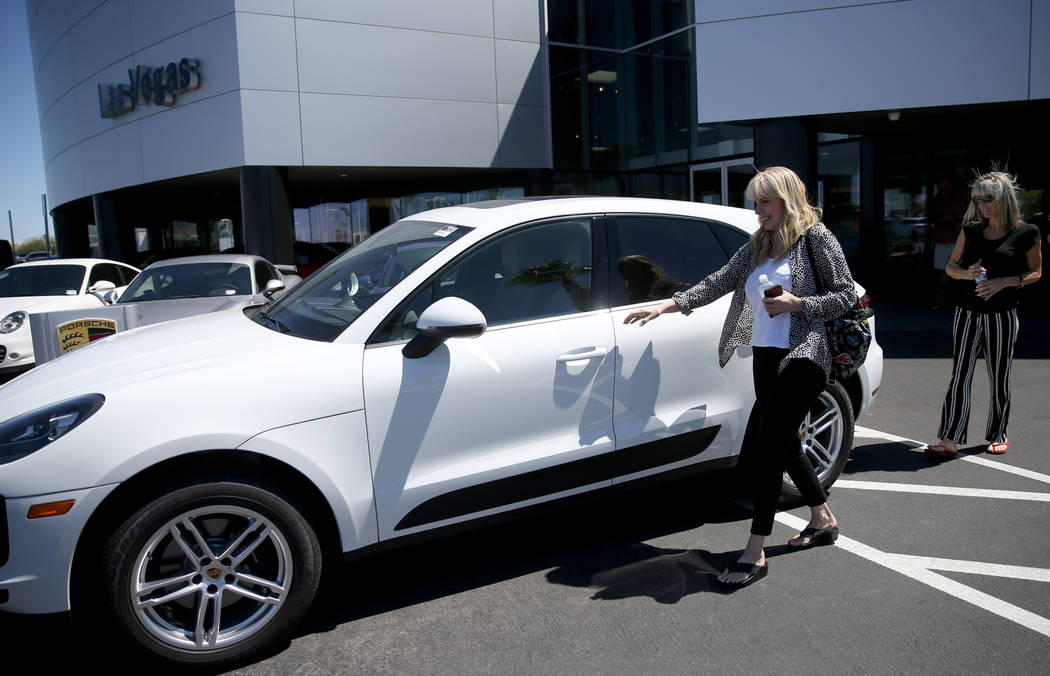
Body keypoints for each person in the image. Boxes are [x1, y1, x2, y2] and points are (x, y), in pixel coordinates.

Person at [623, 166, 858, 588]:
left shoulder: (816, 238)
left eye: (764, 202)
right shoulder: (759, 243)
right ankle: (823, 518)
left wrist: (797, 303)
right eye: (755, 202)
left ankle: (755, 550)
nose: (757, 210)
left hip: (804, 354)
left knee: (768, 448)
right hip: (765, 356)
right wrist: (667, 306)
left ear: (787, 200)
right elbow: (720, 281)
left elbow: (845, 294)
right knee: (784, 442)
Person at [925, 171, 1042, 458]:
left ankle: (998, 432)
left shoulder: (1027, 232)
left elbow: (1036, 271)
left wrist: (1007, 281)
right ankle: (950, 437)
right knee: (960, 373)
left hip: (1002, 313)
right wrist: (966, 274)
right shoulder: (971, 229)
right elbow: (951, 267)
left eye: (988, 198)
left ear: (1004, 198)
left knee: (999, 374)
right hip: (967, 311)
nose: (982, 205)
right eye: (977, 199)